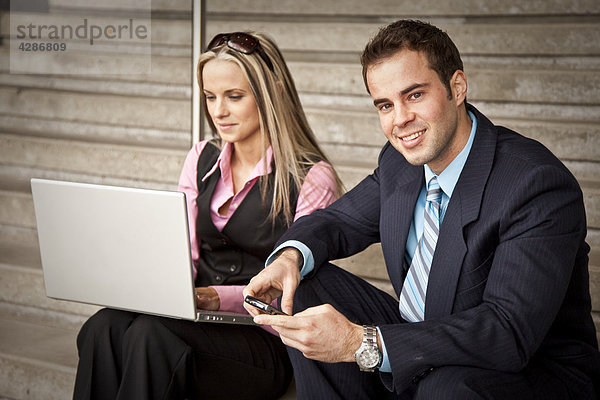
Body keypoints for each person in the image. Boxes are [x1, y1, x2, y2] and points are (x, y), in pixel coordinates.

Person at [243, 20, 600, 399]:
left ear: (457, 87)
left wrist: (359, 343)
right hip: (424, 344)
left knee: (443, 386)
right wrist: (289, 258)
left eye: (414, 95)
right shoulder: (401, 163)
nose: (400, 120)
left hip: (528, 372)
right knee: (306, 283)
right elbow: (339, 220)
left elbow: (507, 330)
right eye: (385, 104)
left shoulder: (534, 183)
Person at [73, 31, 343, 400]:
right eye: (210, 97)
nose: (218, 111)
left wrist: (217, 297)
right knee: (103, 326)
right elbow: (183, 253)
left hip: (266, 340)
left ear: (273, 92)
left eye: (234, 96)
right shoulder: (201, 157)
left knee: (151, 337)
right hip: (196, 319)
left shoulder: (311, 177)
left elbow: (300, 293)